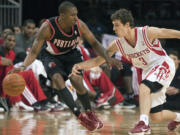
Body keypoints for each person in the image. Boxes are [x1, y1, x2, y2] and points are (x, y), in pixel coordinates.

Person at [71, 8, 180, 134]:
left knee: (144, 86)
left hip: (162, 64)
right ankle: (178, 118)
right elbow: (98, 60)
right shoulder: (117, 44)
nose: (114, 29)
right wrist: (80, 66)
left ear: (127, 24)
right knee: (156, 116)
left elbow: (172, 33)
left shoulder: (146, 32)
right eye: (113, 26)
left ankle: (143, 123)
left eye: (117, 25)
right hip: (147, 71)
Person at [11, 1, 115, 131]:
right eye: (72, 15)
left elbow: (94, 43)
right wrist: (23, 66)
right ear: (62, 16)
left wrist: (107, 57)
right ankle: (79, 116)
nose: (76, 18)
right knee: (57, 78)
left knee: (76, 80)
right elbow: (33, 52)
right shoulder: (48, 27)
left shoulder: (79, 25)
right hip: (51, 55)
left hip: (71, 55)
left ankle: (90, 113)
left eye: (76, 14)